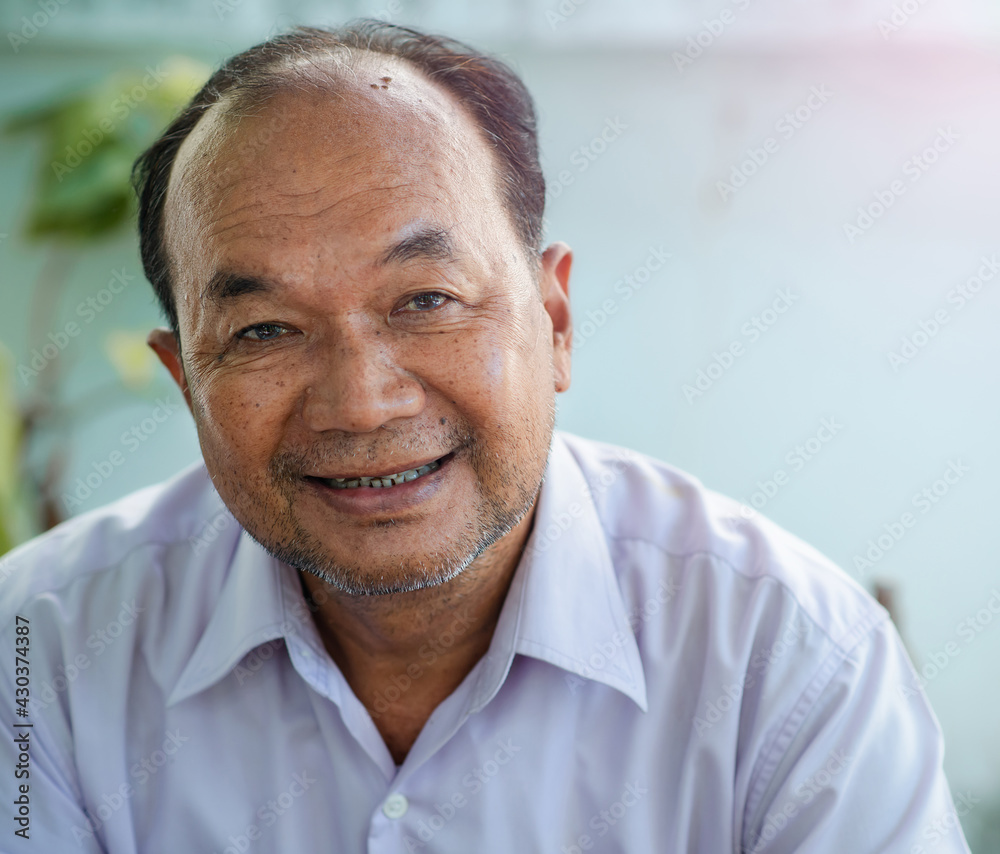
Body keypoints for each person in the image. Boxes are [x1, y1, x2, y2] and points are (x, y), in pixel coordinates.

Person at [0, 21, 972, 854]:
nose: (361, 403)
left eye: (426, 299)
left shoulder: (794, 664)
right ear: (186, 378)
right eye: (263, 330)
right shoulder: (35, 645)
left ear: (554, 321)